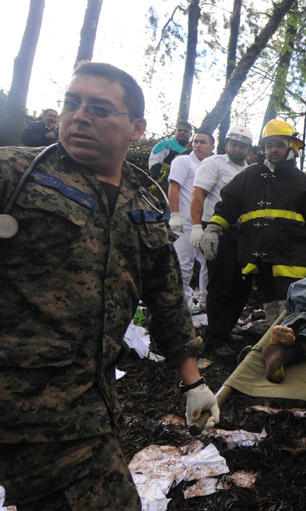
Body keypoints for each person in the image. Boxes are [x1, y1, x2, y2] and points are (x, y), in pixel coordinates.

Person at [0, 62, 219, 510]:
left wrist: (193, 384)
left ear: (137, 128)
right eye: (71, 104)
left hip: (72, 415)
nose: (79, 116)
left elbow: (167, 300)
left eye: (98, 108)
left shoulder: (143, 203)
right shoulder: (15, 174)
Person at [199, 119, 306, 328]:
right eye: (269, 146)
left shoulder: (302, 181)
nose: (273, 150)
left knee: (290, 303)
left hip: (291, 256)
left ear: (290, 147)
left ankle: (288, 348)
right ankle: (271, 344)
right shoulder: (250, 175)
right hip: (258, 255)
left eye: (279, 145)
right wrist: (214, 228)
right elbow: (228, 204)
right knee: (269, 303)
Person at [189, 125, 252, 357]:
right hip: (217, 230)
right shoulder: (213, 164)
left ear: (249, 149)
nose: (237, 148)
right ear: (227, 144)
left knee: (241, 284)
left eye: (242, 145)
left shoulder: (250, 171)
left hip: (243, 233)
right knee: (220, 283)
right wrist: (197, 227)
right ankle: (215, 340)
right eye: (233, 143)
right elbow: (199, 195)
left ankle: (225, 329)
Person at [168, 130, 215, 314]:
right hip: (185, 222)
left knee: (208, 263)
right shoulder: (183, 161)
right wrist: (175, 214)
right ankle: (182, 310)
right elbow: (174, 187)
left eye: (203, 142)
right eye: (195, 141)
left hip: (205, 223)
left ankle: (205, 302)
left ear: (212, 147)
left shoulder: (213, 165)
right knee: (183, 266)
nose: (197, 145)